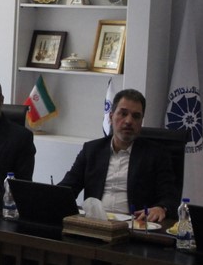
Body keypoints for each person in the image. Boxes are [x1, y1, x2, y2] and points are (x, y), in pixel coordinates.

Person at [58, 88, 174, 224]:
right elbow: (67, 188)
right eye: (123, 114)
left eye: (136, 116)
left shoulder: (156, 154)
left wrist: (161, 208)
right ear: (111, 116)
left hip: (134, 226)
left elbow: (169, 196)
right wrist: (50, 195)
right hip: (95, 225)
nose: (129, 121)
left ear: (141, 121)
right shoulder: (92, 150)